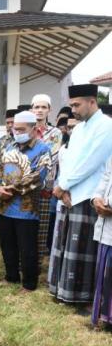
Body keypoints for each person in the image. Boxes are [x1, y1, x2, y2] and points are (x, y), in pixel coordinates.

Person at [49, 84, 112, 304]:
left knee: (82, 249)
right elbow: (68, 160)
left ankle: (82, 297)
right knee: (66, 246)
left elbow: (91, 163)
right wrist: (63, 187)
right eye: (71, 105)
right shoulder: (79, 129)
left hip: (88, 195)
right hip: (70, 194)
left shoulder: (106, 126)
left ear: (92, 101)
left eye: (77, 104)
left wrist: (63, 185)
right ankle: (62, 292)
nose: (73, 109)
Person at [0, 111, 52, 291]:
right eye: (14, 129)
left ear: (34, 129)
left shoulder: (43, 150)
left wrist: (10, 190)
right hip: (4, 206)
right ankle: (11, 277)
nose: (16, 132)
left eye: (21, 129)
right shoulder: (9, 146)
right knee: (7, 243)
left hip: (27, 209)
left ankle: (29, 283)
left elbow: (37, 177)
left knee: (27, 248)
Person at [31, 94, 63, 258]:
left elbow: (52, 156)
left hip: (46, 184)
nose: (40, 110)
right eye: (37, 107)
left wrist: (30, 164)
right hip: (25, 186)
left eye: (43, 107)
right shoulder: (26, 130)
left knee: (43, 224)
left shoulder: (55, 133)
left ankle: (38, 260)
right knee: (26, 222)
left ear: (49, 110)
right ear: (32, 109)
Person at [91, 157, 112, 326]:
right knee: (105, 274)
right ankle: (104, 317)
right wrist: (96, 199)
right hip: (106, 228)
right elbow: (105, 179)